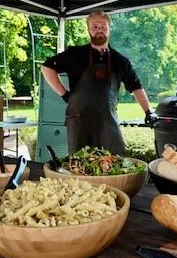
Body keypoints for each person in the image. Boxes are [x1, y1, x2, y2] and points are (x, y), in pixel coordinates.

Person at [41, 10, 158, 155]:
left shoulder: (120, 61)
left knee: (113, 162)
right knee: (81, 165)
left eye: (103, 27)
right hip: (79, 122)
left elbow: (135, 86)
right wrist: (64, 94)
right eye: (95, 27)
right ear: (88, 29)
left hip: (107, 122)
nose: (99, 31)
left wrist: (148, 112)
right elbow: (46, 68)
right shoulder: (74, 54)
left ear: (109, 29)